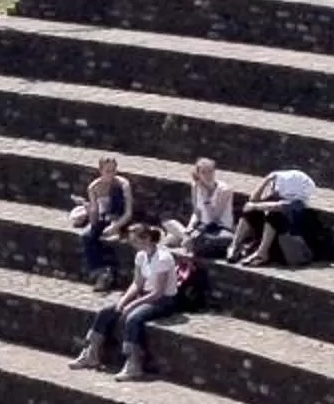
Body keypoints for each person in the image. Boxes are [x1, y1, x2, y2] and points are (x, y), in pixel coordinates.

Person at [73, 219, 182, 381]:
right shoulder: (141, 256)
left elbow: (158, 293)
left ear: (146, 239)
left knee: (133, 318)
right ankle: (92, 352)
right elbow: (137, 283)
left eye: (135, 240)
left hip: (164, 300)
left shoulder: (163, 258)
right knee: (107, 311)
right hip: (146, 294)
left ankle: (134, 362)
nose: (132, 244)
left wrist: (132, 305)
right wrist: (123, 301)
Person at [235, 166, 318, 268]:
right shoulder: (278, 197)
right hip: (275, 245)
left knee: (274, 214)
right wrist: (266, 180)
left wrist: (255, 206)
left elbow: (279, 207)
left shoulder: (298, 203)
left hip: (288, 250)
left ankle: (262, 254)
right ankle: (235, 245)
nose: (274, 186)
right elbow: (253, 200)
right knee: (250, 211)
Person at [72, 156, 135, 289]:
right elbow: (95, 213)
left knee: (116, 194)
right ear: (100, 171)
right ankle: (101, 271)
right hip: (105, 217)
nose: (112, 174)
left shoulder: (123, 184)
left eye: (113, 170)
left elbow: (128, 212)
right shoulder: (93, 187)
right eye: (108, 171)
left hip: (120, 217)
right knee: (87, 236)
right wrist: (91, 217)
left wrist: (116, 226)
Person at [185, 158, 241, 261]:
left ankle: (184, 238)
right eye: (203, 172)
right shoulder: (195, 186)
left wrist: (206, 198)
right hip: (202, 226)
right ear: (198, 174)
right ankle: (184, 237)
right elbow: (196, 212)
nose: (208, 175)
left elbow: (214, 218)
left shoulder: (224, 190)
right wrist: (190, 228)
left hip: (219, 227)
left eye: (210, 171)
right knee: (168, 223)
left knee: (181, 240)